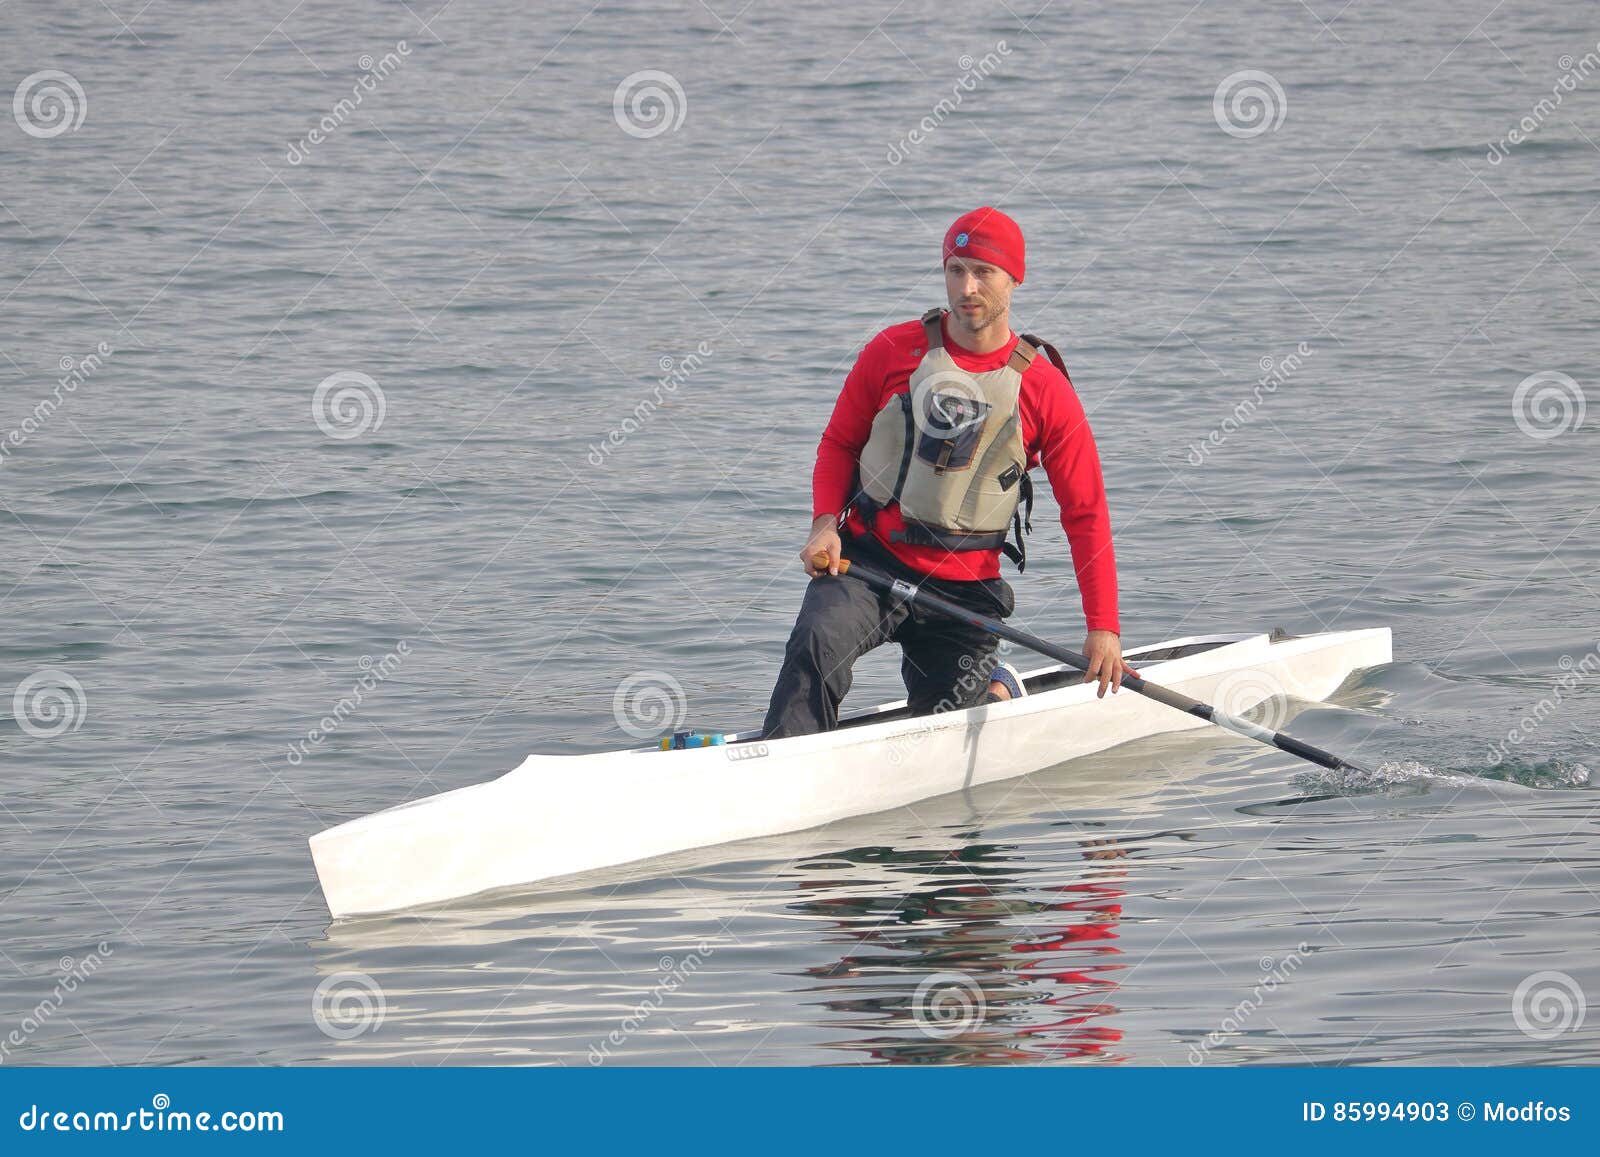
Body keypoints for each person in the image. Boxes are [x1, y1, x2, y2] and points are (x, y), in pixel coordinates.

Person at [760, 206, 1130, 740]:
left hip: (964, 591)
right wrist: (823, 524)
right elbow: (839, 443)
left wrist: (1103, 628)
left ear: (1014, 279)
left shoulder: (1046, 390)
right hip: (869, 565)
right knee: (815, 641)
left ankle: (996, 690)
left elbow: (1086, 512)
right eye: (956, 270)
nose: (968, 287)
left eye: (983, 272)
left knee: (945, 732)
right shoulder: (892, 350)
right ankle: (785, 759)